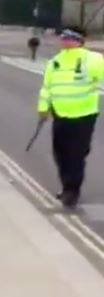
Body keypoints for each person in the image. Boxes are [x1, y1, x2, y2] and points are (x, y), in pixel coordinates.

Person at [37, 26, 104, 208]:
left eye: (70, 38)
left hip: (83, 115)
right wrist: (43, 108)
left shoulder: (92, 59)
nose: (65, 41)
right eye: (63, 37)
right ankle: (67, 185)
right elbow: (47, 88)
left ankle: (72, 192)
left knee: (76, 155)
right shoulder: (54, 62)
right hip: (60, 115)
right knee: (60, 154)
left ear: (79, 41)